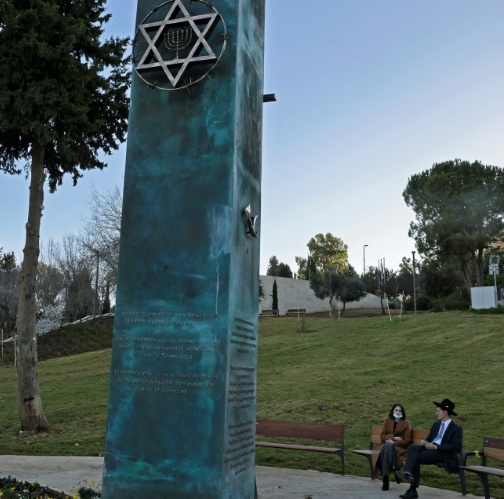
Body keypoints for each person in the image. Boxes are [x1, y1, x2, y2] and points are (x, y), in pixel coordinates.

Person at [394, 398, 462, 499]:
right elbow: (429, 439)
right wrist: (425, 442)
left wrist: (435, 446)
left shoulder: (456, 429)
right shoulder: (436, 425)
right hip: (431, 449)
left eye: (438, 411)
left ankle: (412, 490)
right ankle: (407, 472)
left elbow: (455, 447)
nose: (436, 413)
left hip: (443, 453)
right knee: (412, 447)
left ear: (445, 412)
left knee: (415, 457)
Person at [372, 403, 411, 491]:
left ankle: (385, 479)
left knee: (387, 447)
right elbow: (382, 436)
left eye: (400, 411)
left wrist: (392, 442)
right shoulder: (387, 420)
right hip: (386, 446)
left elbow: (407, 441)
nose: (398, 412)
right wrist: (394, 438)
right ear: (393, 411)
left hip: (398, 448)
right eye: (396, 410)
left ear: (402, 412)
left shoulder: (406, 423)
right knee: (387, 447)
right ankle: (395, 468)